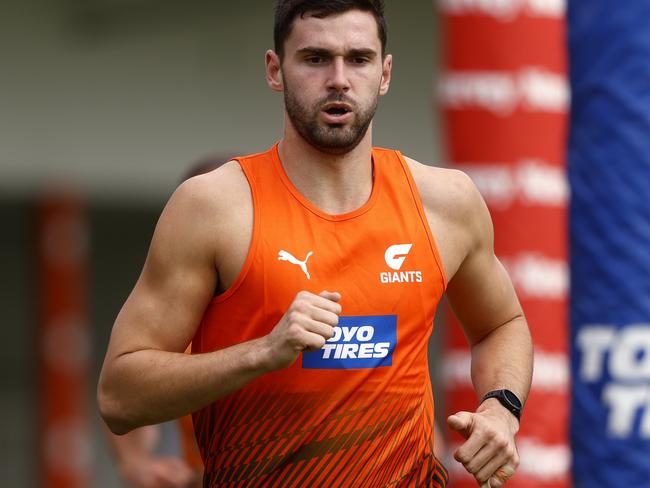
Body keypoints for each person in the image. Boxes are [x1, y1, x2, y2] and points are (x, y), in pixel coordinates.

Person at [97, 1, 533, 487]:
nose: (339, 79)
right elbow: (119, 397)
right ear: (275, 70)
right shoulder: (214, 207)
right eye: (315, 58)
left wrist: (501, 407)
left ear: (385, 73)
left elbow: (502, 324)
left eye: (360, 59)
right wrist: (262, 352)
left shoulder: (445, 203)